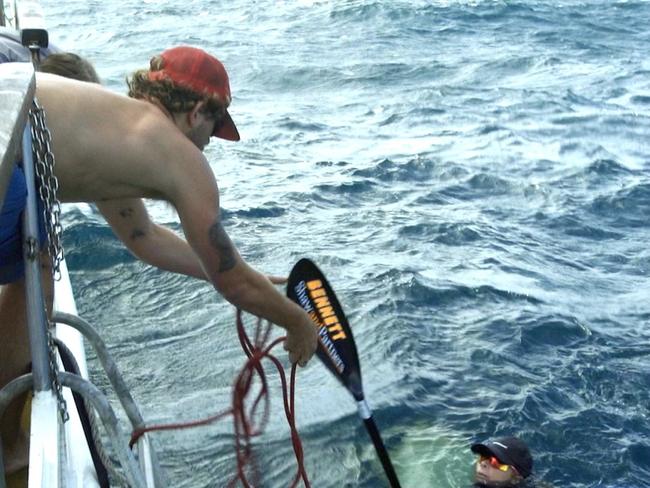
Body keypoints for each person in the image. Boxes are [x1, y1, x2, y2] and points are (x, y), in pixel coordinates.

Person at [0, 45, 318, 475]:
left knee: (37, 263)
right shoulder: (182, 158)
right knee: (36, 270)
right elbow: (232, 280)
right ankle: (7, 442)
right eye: (215, 126)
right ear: (198, 111)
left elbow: (144, 238)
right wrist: (297, 322)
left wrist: (250, 279)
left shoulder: (120, 131)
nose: (210, 142)